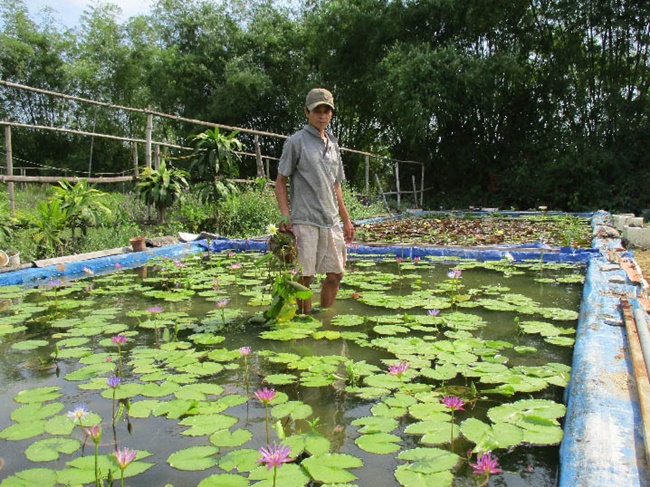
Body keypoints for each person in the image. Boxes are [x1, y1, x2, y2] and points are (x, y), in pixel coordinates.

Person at [275, 87, 355, 314]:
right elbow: (280, 181)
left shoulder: (333, 146)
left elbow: (335, 186)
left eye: (326, 110)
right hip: (305, 220)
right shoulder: (296, 142)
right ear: (306, 112)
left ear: (331, 113)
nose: (322, 115)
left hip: (330, 221)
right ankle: (305, 323)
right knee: (305, 277)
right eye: (317, 110)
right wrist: (285, 215)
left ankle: (323, 317)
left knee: (336, 274)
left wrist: (346, 220)